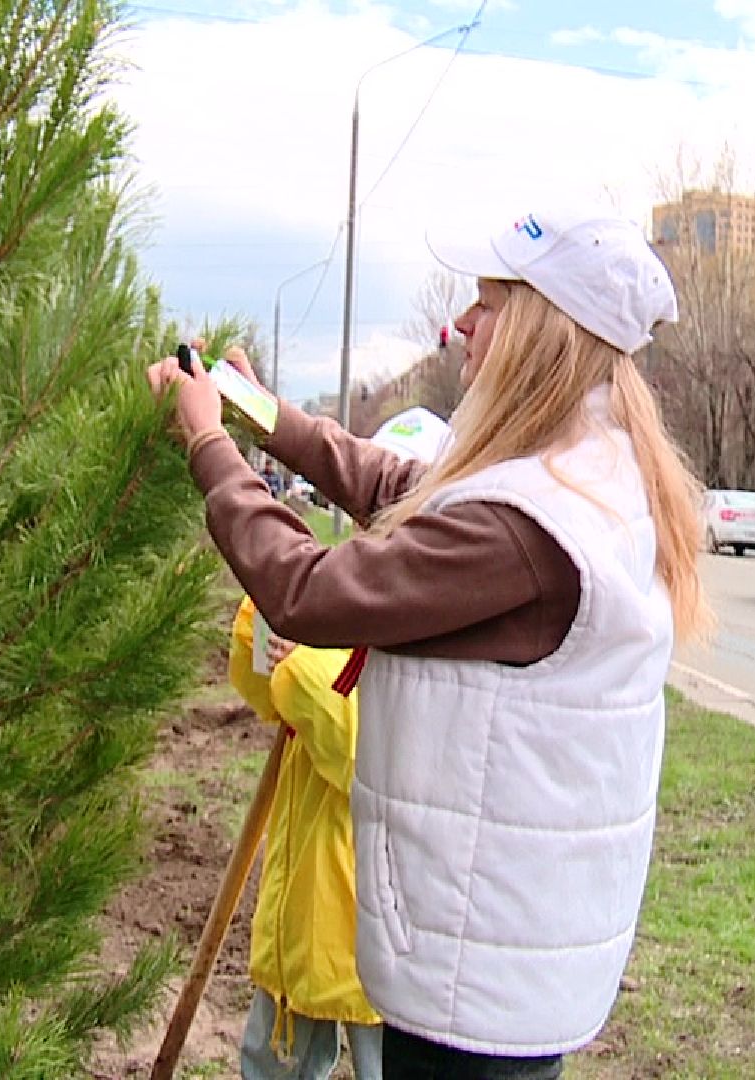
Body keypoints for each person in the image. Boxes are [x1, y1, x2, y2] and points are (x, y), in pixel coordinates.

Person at [146, 208, 712, 1080]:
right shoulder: (577, 466)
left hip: (476, 976)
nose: (463, 326)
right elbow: (405, 487)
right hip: (507, 941)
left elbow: (308, 593)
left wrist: (210, 447)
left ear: (541, 332)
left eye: (489, 305)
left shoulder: (527, 525)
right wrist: (261, 412)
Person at [224, 598, 381, 1080]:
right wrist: (268, 619)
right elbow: (268, 689)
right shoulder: (345, 591)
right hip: (304, 914)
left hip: (377, 924)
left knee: (390, 1063)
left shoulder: (420, 627)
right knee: (273, 1062)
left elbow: (365, 755)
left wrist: (300, 663)